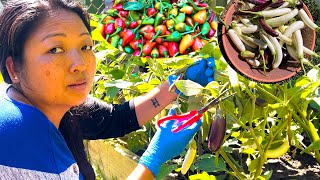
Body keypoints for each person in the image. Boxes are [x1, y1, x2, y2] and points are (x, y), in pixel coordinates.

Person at [0, 0, 215, 179]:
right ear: (13, 67)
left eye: (85, 47)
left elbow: (116, 119)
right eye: (55, 49)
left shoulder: (46, 105)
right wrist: (153, 159)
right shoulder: (22, 134)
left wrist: (177, 84)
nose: (80, 64)